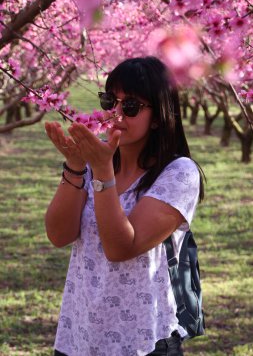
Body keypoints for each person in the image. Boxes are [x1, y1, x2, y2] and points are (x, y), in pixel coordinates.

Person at [45, 56, 205, 356]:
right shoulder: (95, 162)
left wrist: (103, 171)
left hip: (144, 340)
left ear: (158, 117)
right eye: (110, 102)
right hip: (80, 333)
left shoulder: (179, 173)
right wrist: (76, 164)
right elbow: (58, 235)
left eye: (130, 106)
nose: (116, 114)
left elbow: (121, 247)